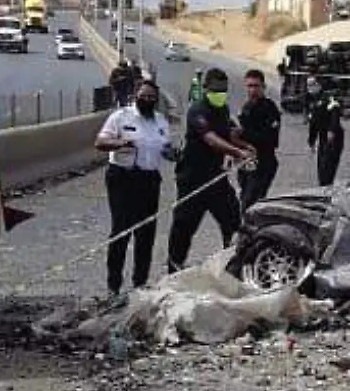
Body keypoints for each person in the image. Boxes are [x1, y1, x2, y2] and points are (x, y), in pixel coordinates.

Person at [167, 68, 253, 273]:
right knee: (184, 226)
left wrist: (245, 146)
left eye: (223, 90)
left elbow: (228, 134)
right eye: (216, 90)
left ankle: (233, 266)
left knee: (234, 221)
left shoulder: (222, 109)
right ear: (206, 88)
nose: (220, 94)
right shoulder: (197, 110)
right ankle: (174, 268)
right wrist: (237, 152)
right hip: (193, 179)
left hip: (216, 178)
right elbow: (211, 139)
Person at [94, 80, 173, 297]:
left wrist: (172, 154)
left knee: (146, 233)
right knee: (121, 230)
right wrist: (121, 143)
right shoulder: (121, 117)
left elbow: (165, 148)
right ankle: (113, 286)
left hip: (149, 180)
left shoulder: (161, 121)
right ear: (135, 96)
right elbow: (100, 142)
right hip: (123, 178)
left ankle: (140, 283)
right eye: (143, 96)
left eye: (151, 97)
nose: (147, 100)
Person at [236, 68, 282, 211]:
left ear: (263, 87)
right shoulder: (246, 107)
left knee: (251, 203)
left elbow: (271, 139)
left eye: (256, 86)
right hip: (246, 163)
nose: (253, 90)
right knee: (245, 200)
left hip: (263, 162)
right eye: (249, 86)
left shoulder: (269, 109)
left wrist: (244, 134)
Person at [309, 79, 345, 186]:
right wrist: (311, 140)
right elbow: (314, 123)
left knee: (328, 166)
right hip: (322, 135)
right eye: (308, 85)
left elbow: (335, 114)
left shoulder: (329, 99)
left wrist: (332, 130)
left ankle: (326, 186)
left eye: (312, 85)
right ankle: (323, 186)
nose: (310, 88)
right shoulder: (314, 100)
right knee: (321, 166)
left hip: (333, 136)